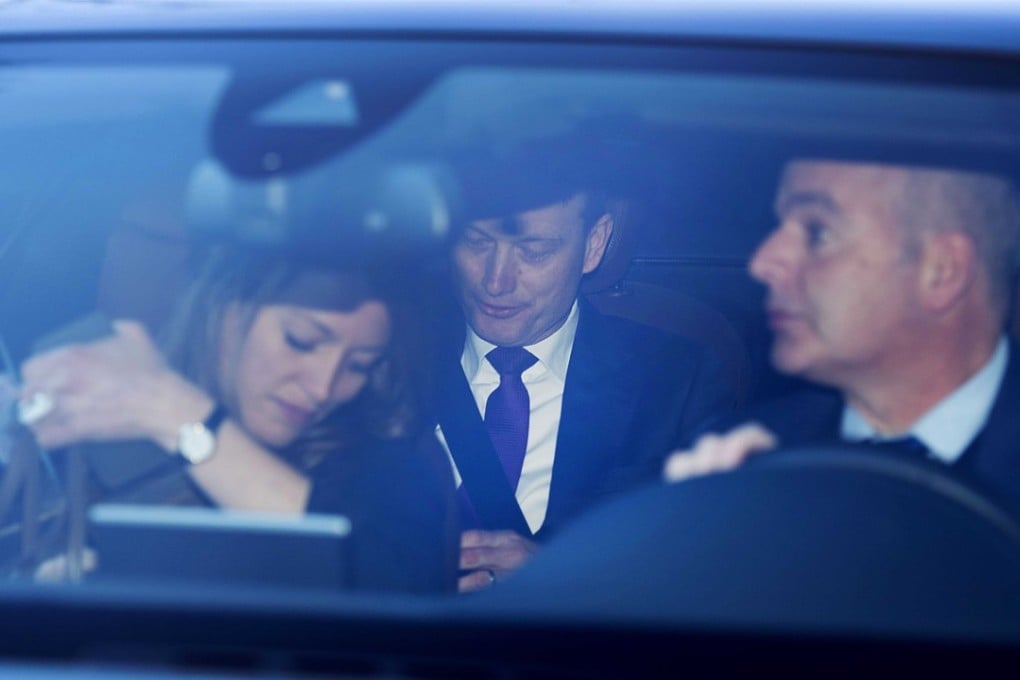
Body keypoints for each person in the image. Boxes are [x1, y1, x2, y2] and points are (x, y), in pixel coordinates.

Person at [15, 245, 458, 593]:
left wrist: (177, 414)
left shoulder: (385, 475)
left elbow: (388, 595)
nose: (324, 387)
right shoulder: (97, 434)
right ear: (220, 309)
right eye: (300, 341)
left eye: (359, 365)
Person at [434, 140, 735, 592]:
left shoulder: (677, 381)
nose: (496, 280)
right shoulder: (378, 359)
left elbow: (712, 566)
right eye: (476, 242)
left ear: (594, 245)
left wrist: (576, 579)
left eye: (533, 251)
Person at [663, 158, 1020, 514]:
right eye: (776, 226)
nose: (762, 262)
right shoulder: (741, 460)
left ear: (942, 271)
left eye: (818, 232)